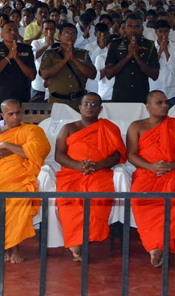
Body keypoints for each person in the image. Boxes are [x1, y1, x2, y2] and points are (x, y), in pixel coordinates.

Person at [126, 91, 175, 267]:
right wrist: (151, 167)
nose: (165, 105)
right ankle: (155, 246)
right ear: (148, 106)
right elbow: (131, 155)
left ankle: (158, 246)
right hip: (146, 172)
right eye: (160, 103)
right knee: (139, 199)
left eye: (166, 102)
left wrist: (172, 166)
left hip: (173, 172)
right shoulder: (136, 126)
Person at [54, 93, 127, 261]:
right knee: (69, 203)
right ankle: (75, 244)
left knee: (97, 200)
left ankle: (84, 241)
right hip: (72, 173)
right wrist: (78, 166)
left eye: (94, 105)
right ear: (79, 107)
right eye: (86, 104)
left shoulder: (109, 128)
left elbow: (117, 155)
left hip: (99, 173)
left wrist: (98, 166)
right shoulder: (68, 128)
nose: (89, 107)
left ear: (100, 109)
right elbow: (59, 155)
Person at [0, 99, 51, 263]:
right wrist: (20, 150)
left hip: (22, 175)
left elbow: (37, 152)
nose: (15, 117)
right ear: (2, 115)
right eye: (10, 114)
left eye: (18, 113)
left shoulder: (32, 130)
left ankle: (14, 247)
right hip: (0, 177)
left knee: (19, 199)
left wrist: (6, 145)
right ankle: (6, 246)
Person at [40, 23, 96, 111]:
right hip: (57, 101)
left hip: (78, 101)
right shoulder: (51, 54)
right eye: (67, 33)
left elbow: (92, 75)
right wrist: (65, 60)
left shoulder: (83, 54)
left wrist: (74, 60)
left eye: (73, 34)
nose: (70, 36)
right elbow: (44, 75)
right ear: (59, 36)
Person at [103, 15, 159, 103]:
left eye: (137, 27)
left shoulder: (149, 45)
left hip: (141, 96)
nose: (133, 30)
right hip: (120, 95)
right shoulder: (115, 44)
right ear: (125, 28)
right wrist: (128, 56)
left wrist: (137, 57)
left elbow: (155, 75)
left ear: (142, 28)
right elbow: (109, 74)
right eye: (130, 26)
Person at [0, 21, 36, 110]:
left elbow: (32, 76)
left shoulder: (26, 49)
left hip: (20, 97)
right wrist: (8, 57)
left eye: (15, 30)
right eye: (9, 30)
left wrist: (17, 59)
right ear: (2, 35)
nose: (13, 32)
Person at [148, 20, 175, 106]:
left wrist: (166, 51)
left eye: (165, 31)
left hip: (171, 91)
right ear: (155, 32)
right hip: (154, 88)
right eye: (160, 31)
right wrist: (160, 51)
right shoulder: (149, 47)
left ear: (169, 32)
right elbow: (150, 68)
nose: (163, 34)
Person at [29, 19, 57, 101]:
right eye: (46, 29)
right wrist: (46, 46)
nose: (49, 31)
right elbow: (33, 57)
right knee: (35, 107)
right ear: (42, 30)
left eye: (51, 29)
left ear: (55, 30)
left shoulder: (59, 44)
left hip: (55, 84)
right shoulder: (36, 43)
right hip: (38, 84)